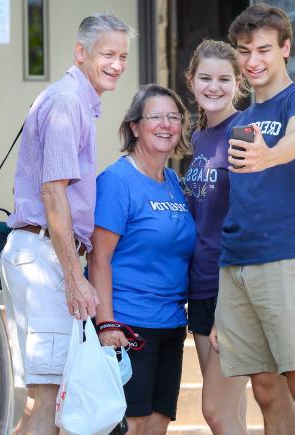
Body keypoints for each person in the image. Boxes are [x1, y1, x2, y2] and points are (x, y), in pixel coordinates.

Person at [0, 13, 134, 435]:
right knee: (46, 398)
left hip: (46, 255)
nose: (116, 64)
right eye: (107, 54)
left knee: (55, 401)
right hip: (44, 259)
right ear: (81, 53)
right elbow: (53, 194)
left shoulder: (77, 102)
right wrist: (75, 278)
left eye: (123, 56)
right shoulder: (67, 102)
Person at [213, 4, 295, 434]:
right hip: (237, 263)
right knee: (265, 387)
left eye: (264, 49)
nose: (253, 61)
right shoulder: (241, 120)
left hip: (286, 257)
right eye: (245, 51)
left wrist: (269, 155)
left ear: (285, 48)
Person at [89, 84, 195, 435]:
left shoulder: (174, 183)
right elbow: (99, 257)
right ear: (135, 125)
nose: (166, 125)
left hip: (170, 323)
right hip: (130, 323)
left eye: (173, 117)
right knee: (131, 424)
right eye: (155, 117)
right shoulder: (117, 181)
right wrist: (106, 323)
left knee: (158, 422)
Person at [182, 39, 250, 434]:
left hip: (231, 288)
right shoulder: (199, 138)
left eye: (224, 79)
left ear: (237, 83)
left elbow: (248, 218)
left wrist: (231, 302)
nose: (214, 86)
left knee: (215, 410)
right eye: (205, 78)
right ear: (191, 81)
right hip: (201, 286)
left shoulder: (242, 133)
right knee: (230, 414)